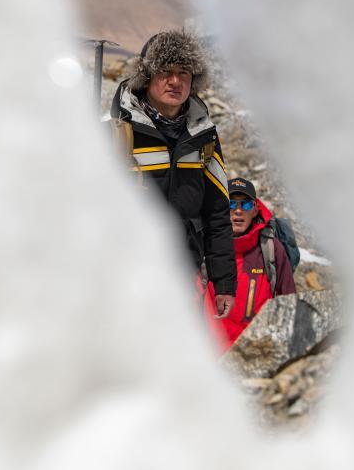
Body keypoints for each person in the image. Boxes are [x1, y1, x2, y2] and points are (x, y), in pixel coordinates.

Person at [109, 30, 236, 318]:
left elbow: (217, 213)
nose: (175, 81)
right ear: (146, 76)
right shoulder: (114, 132)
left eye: (183, 73)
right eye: (165, 71)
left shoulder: (204, 136)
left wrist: (224, 283)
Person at [206, 177, 297, 351]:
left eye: (246, 205)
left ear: (255, 210)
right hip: (213, 352)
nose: (238, 211)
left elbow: (289, 304)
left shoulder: (271, 248)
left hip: (255, 351)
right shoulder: (205, 246)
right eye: (231, 204)